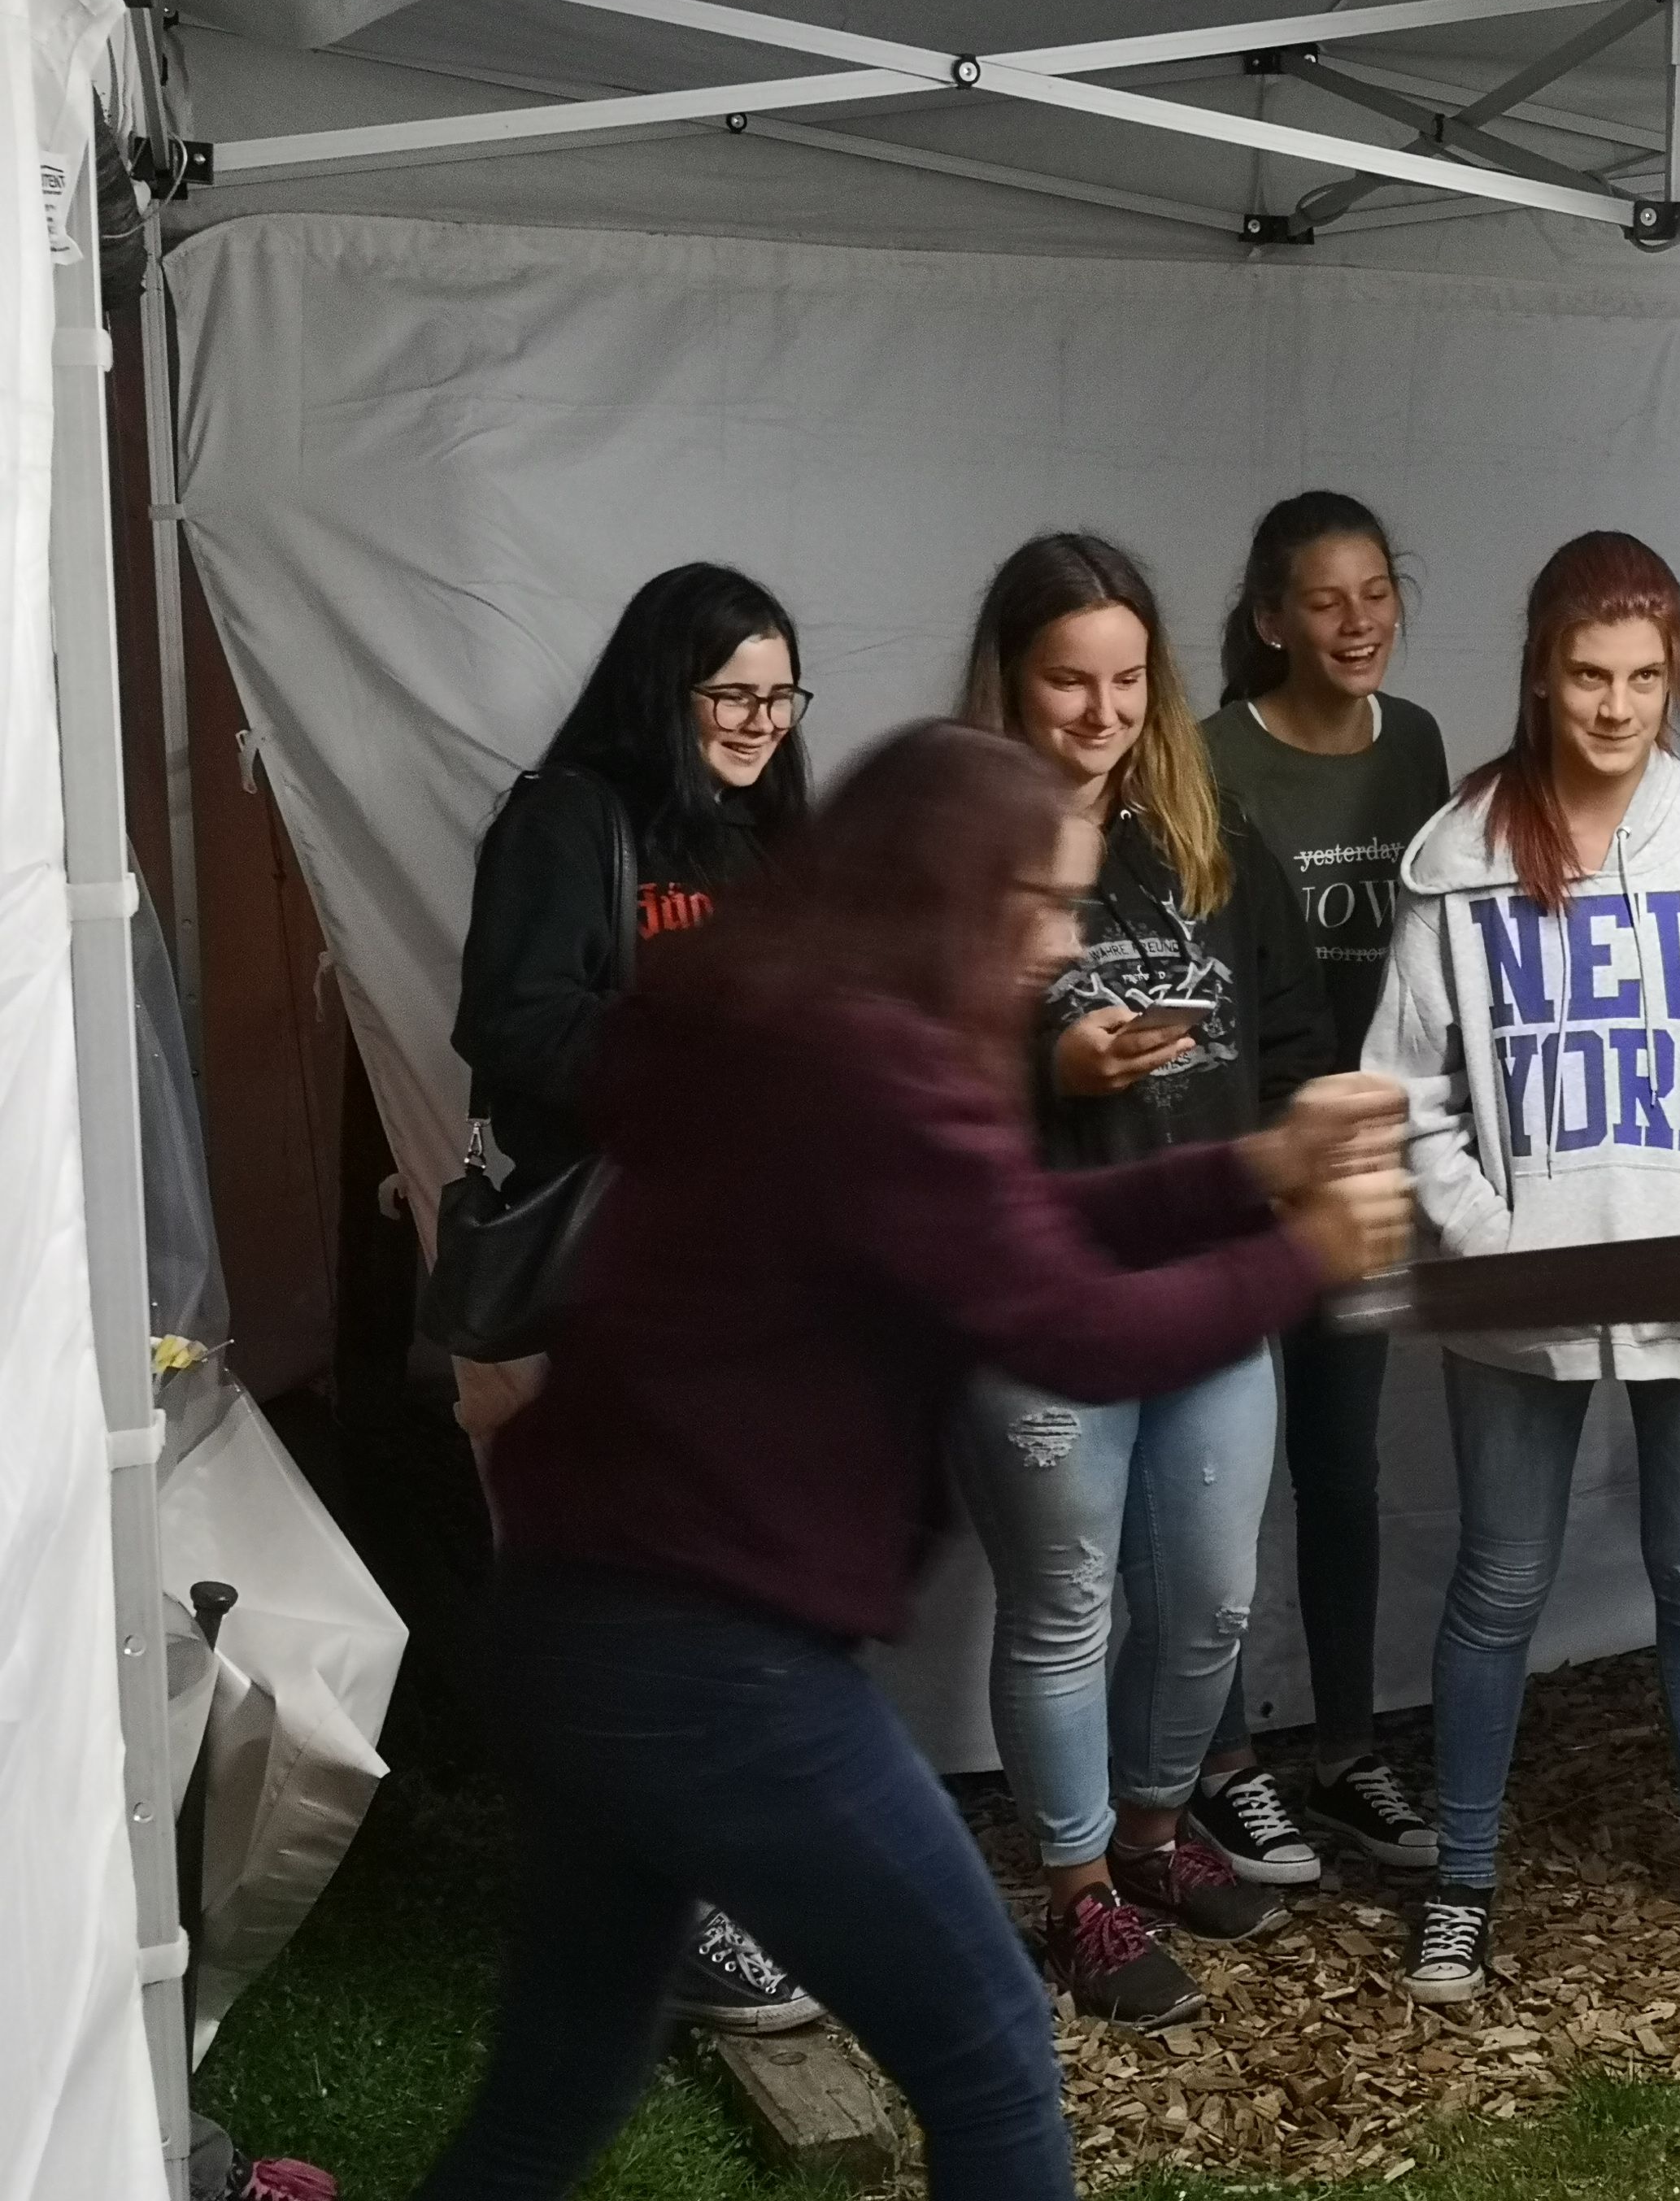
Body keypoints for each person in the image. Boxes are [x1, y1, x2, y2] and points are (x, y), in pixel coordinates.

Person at [414, 722, 1411, 2201]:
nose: (1063, 943)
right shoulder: (874, 1075)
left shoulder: (797, 1030)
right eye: (1043, 904)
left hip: (577, 1628)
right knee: (992, 2055)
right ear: (953, 890)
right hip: (713, 1663)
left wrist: (1258, 1169)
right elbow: (1075, 1329)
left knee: (556, 2085)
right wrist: (1307, 1254)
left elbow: (1019, 1237)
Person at [1367, 529, 1680, 2004]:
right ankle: (1465, 1876)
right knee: (1500, 1580)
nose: (1614, 706)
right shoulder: (1463, 854)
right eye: (1589, 674)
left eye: (1644, 677)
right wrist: (1490, 1242)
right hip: (1519, 1288)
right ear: (1541, 672)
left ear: (1674, 677)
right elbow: (1405, 1088)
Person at [951, 533, 1338, 2029]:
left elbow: (1292, 1037)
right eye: (1069, 682)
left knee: (1211, 1605)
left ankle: (1154, 1831)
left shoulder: (1209, 832)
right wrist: (1048, 1068)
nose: (1102, 713)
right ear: (1010, 681)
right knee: (1066, 1604)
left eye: (1127, 681)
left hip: (1209, 1288)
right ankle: (1078, 1896)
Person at [448, 560, 820, 2034]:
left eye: (780, 697)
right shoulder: (569, 818)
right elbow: (511, 1022)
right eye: (731, 694)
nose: (760, 723)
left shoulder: (771, 830)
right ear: (663, 690)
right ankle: (668, 1912)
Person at [1188, 492, 1455, 1884]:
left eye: (1375, 593)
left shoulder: (1414, 744)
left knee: (1341, 1474)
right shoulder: (1208, 759)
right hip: (1251, 1173)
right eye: (1325, 600)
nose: (1358, 623)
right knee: (1220, 1482)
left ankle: (1347, 1753)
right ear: (1271, 619)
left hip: (1366, 1175)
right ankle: (1220, 1764)